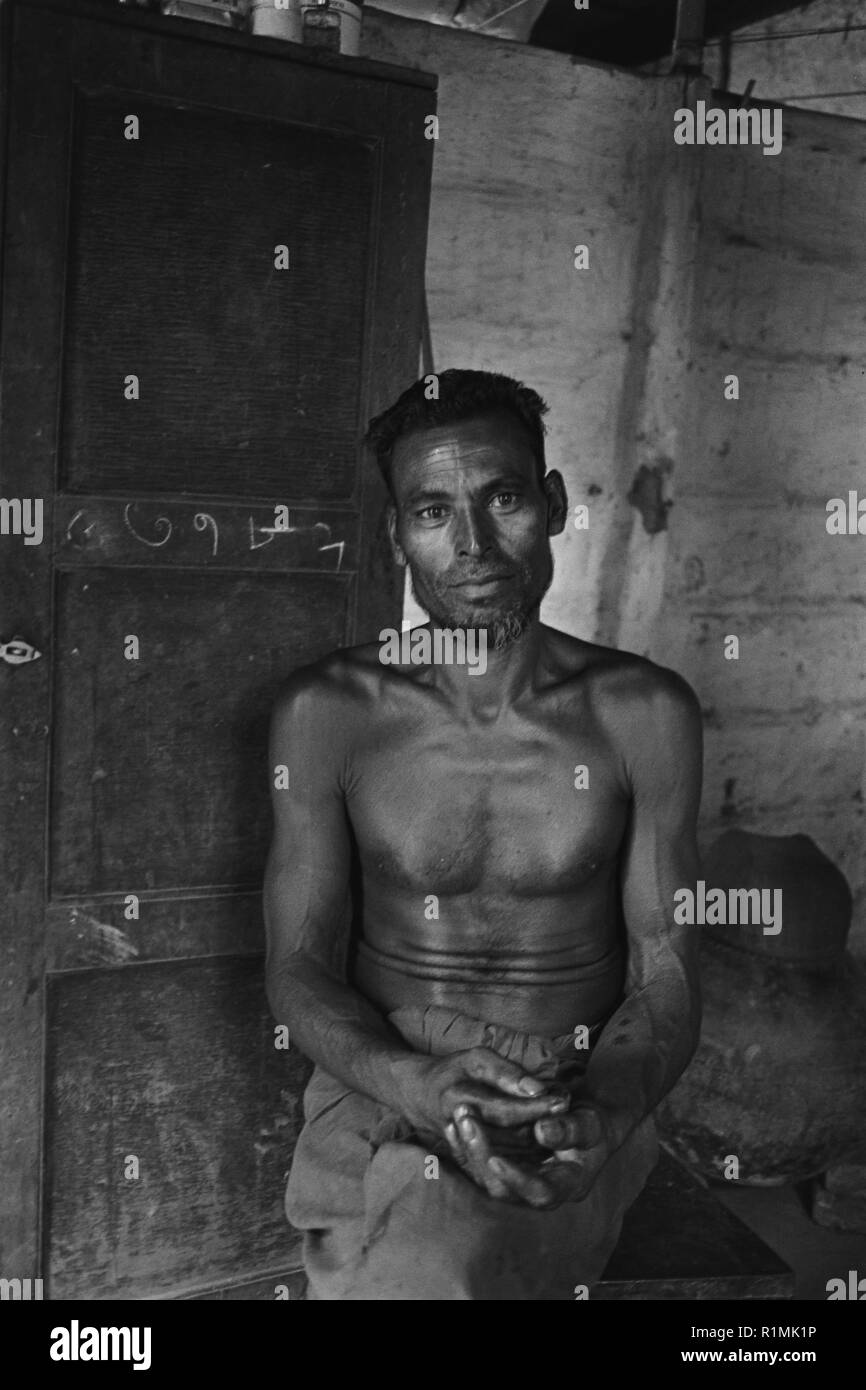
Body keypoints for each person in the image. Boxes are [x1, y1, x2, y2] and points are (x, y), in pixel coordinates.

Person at [264, 368, 703, 1300]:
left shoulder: (643, 713)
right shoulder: (329, 712)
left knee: (478, 1250)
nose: (471, 545)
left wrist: (605, 1113)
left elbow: (666, 967)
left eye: (501, 498)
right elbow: (295, 964)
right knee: (438, 1257)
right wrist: (411, 1083)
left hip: (572, 1079)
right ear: (396, 535)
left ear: (548, 505)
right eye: (431, 512)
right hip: (387, 1074)